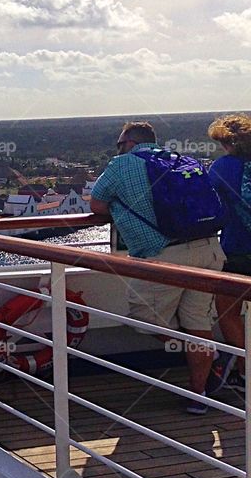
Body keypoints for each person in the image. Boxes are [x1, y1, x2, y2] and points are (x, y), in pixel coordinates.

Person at [90, 121, 225, 414]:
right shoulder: (181, 161)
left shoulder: (122, 165)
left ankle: (208, 359)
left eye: (119, 144)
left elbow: (97, 204)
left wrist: (118, 207)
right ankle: (199, 394)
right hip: (208, 249)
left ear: (129, 144)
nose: (118, 149)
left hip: (165, 256)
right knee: (198, 324)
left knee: (143, 319)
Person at [205, 114, 251, 394]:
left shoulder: (222, 167)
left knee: (228, 311)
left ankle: (245, 372)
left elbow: (208, 205)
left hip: (237, 249)